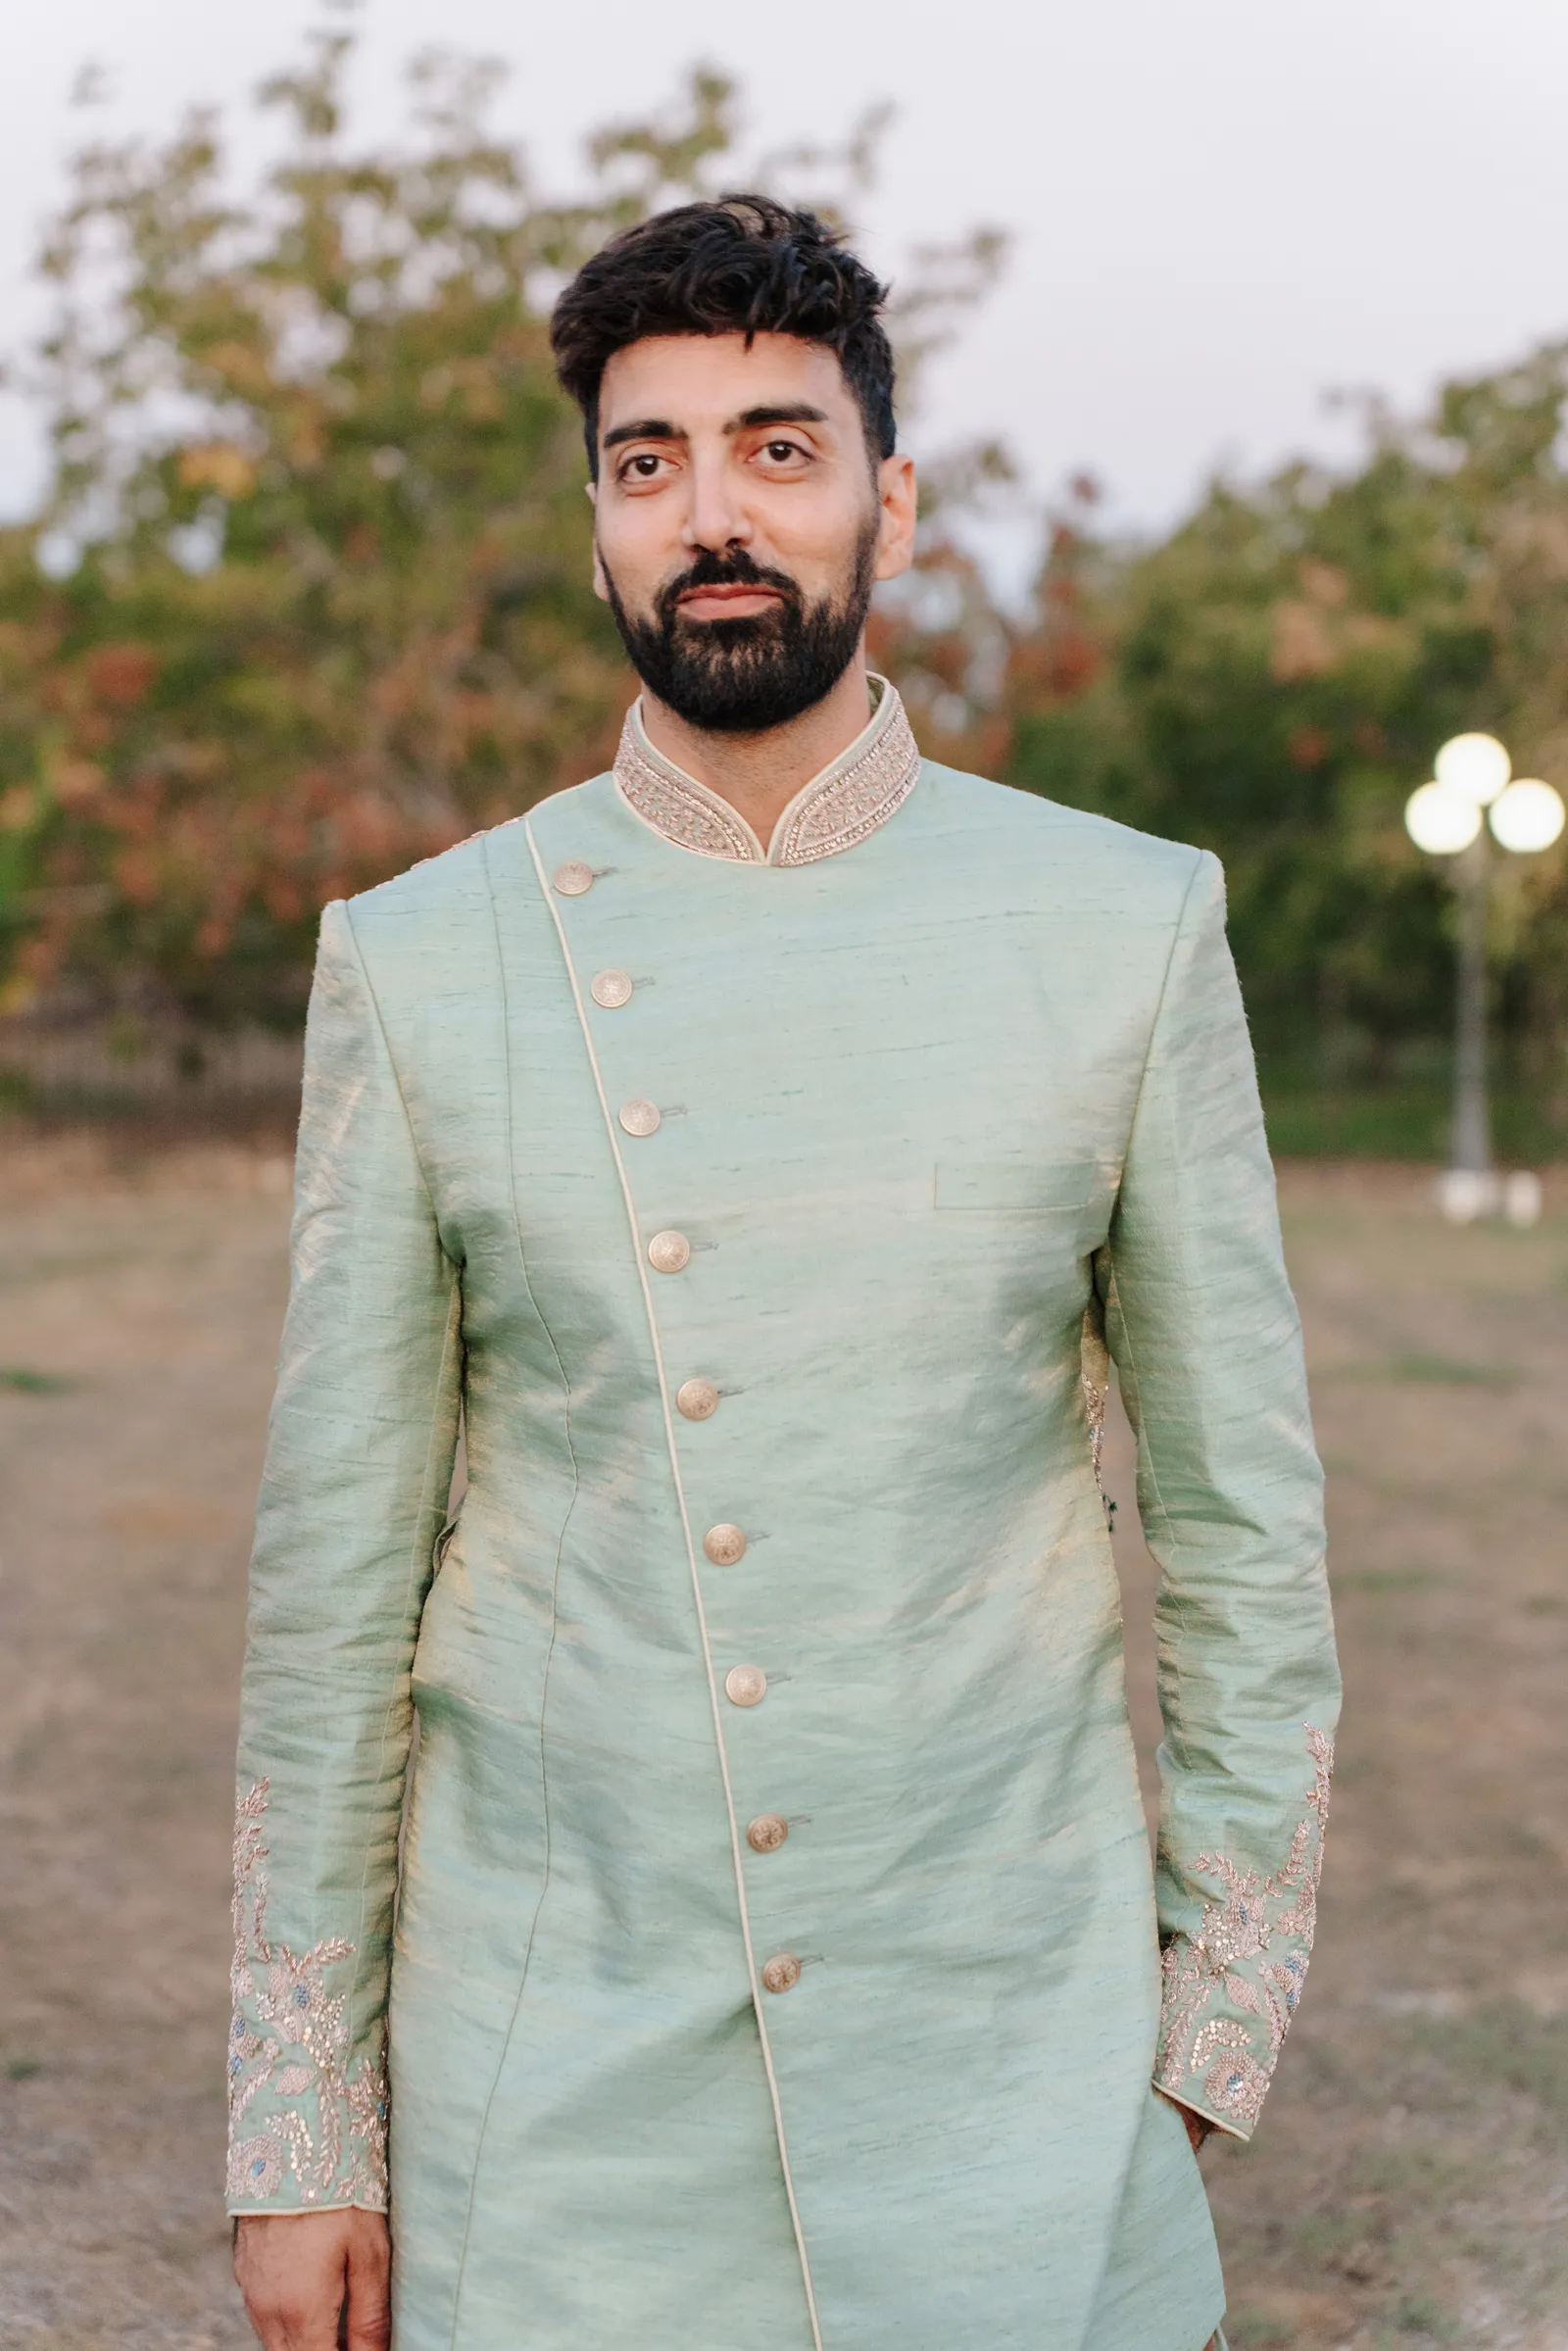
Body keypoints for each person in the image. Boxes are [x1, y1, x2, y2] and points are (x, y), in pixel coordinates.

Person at [226, 195, 1340, 2351]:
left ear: (887, 504)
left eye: (776, 448)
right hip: (556, 2072)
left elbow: (1238, 1520)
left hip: (1006, 2036)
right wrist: (300, 2131)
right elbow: (331, 1589)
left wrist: (1214, 2009)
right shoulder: (423, 954)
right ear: (596, 532)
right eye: (646, 462)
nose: (710, 515)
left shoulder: (1124, 923)